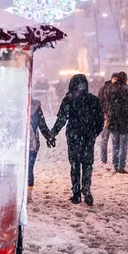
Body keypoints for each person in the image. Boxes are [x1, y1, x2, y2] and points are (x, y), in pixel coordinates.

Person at [51, 74, 104, 205]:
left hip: (74, 137)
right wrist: (93, 133)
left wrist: (53, 133)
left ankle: (76, 193)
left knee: (75, 166)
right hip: (88, 138)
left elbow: (62, 119)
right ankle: (86, 188)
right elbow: (100, 121)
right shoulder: (93, 100)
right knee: (87, 165)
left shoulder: (68, 100)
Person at [106, 71, 128, 173]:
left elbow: (107, 101)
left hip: (113, 120)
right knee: (123, 145)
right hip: (125, 120)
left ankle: (115, 166)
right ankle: (121, 166)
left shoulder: (110, 89)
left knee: (115, 145)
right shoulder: (127, 90)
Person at [28, 100, 54, 188]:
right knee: (29, 168)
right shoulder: (36, 107)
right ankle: (28, 193)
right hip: (32, 143)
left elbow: (42, 125)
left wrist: (49, 137)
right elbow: (42, 125)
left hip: (21, 144)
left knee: (25, 169)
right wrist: (49, 137)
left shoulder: (13, 105)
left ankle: (25, 192)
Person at [98, 73, 117, 165]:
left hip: (107, 117)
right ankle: (109, 159)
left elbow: (100, 103)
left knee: (105, 139)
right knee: (109, 139)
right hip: (110, 117)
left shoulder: (103, 89)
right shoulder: (110, 90)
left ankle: (104, 159)